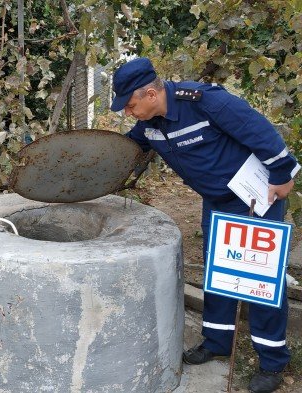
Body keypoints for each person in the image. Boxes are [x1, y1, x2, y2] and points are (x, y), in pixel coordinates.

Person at [110, 57, 300, 393]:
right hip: (217, 201)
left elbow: (257, 129)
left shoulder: (205, 101)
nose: (128, 112)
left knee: (260, 279)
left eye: (130, 104)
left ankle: (272, 361)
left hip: (255, 197)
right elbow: (124, 150)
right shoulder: (149, 125)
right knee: (219, 270)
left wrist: (282, 173)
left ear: (151, 94)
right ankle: (216, 341)